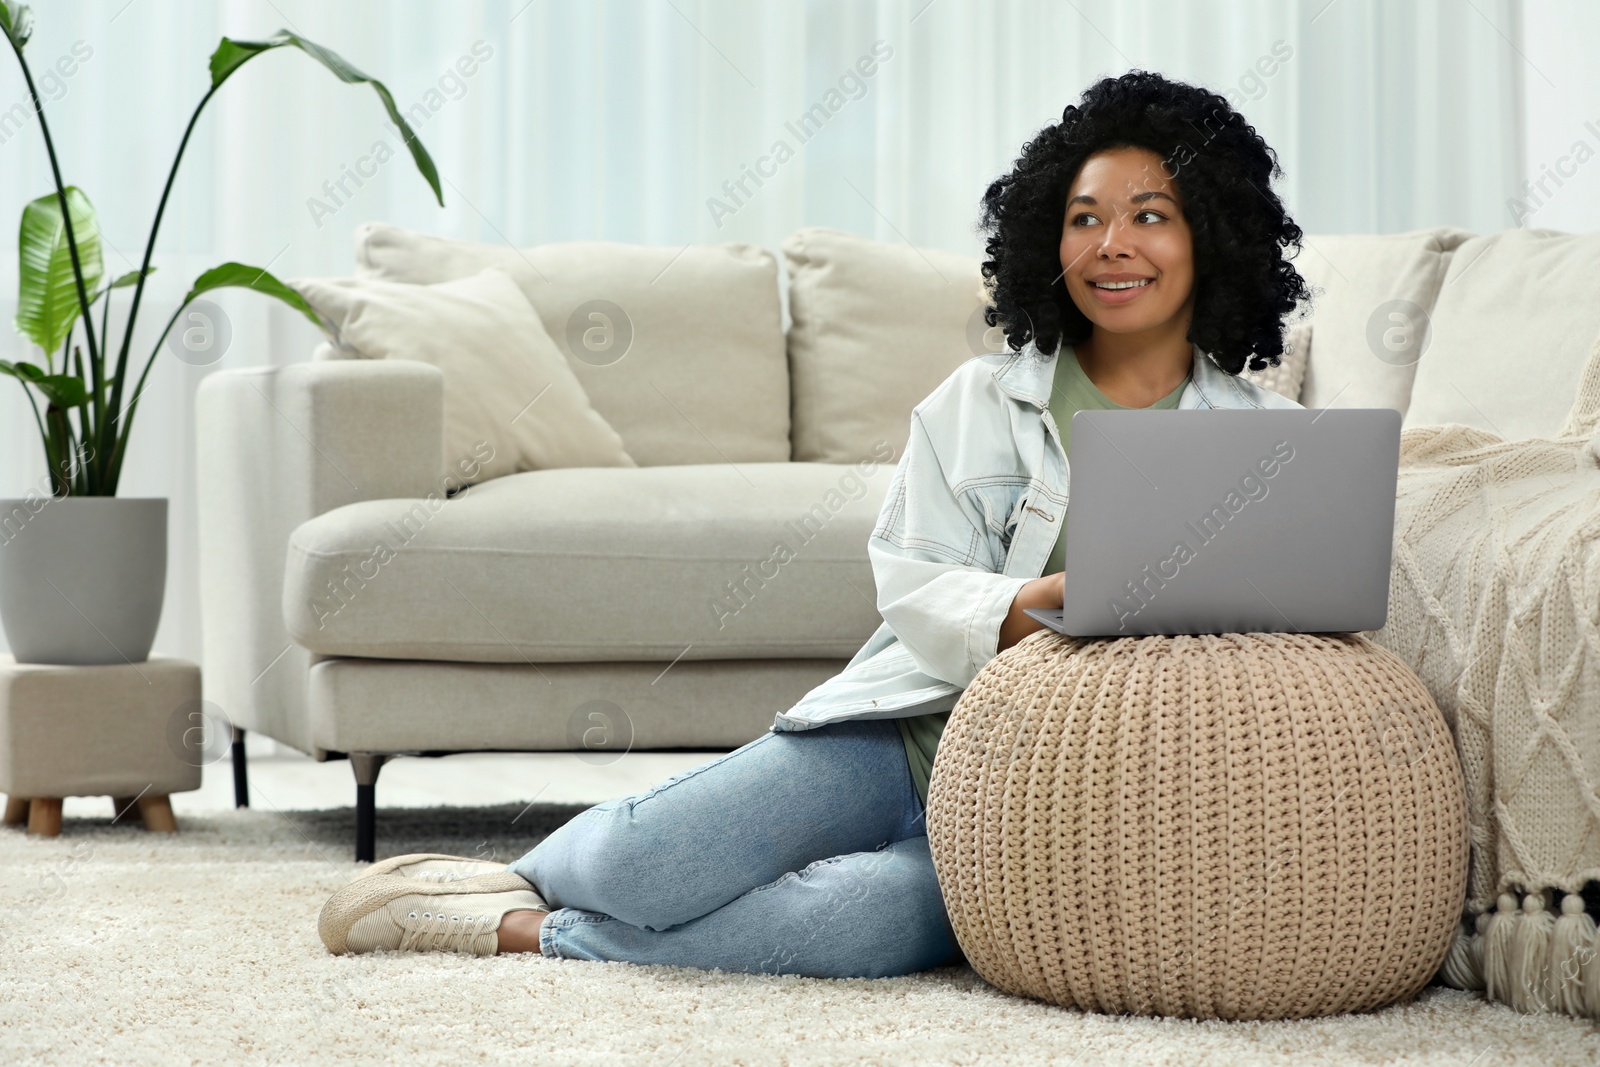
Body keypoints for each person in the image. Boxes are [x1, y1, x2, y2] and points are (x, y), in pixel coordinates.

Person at [315, 68, 1311, 974]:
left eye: (1150, 214)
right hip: (906, 739)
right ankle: (524, 877)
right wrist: (1020, 606)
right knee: (645, 861)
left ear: (1212, 237)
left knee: (857, 927)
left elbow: (1299, 629)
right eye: (1084, 217)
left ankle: (521, 929)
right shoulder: (980, 401)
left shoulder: (1268, 440)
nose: (1112, 245)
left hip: (1046, 813)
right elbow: (911, 575)